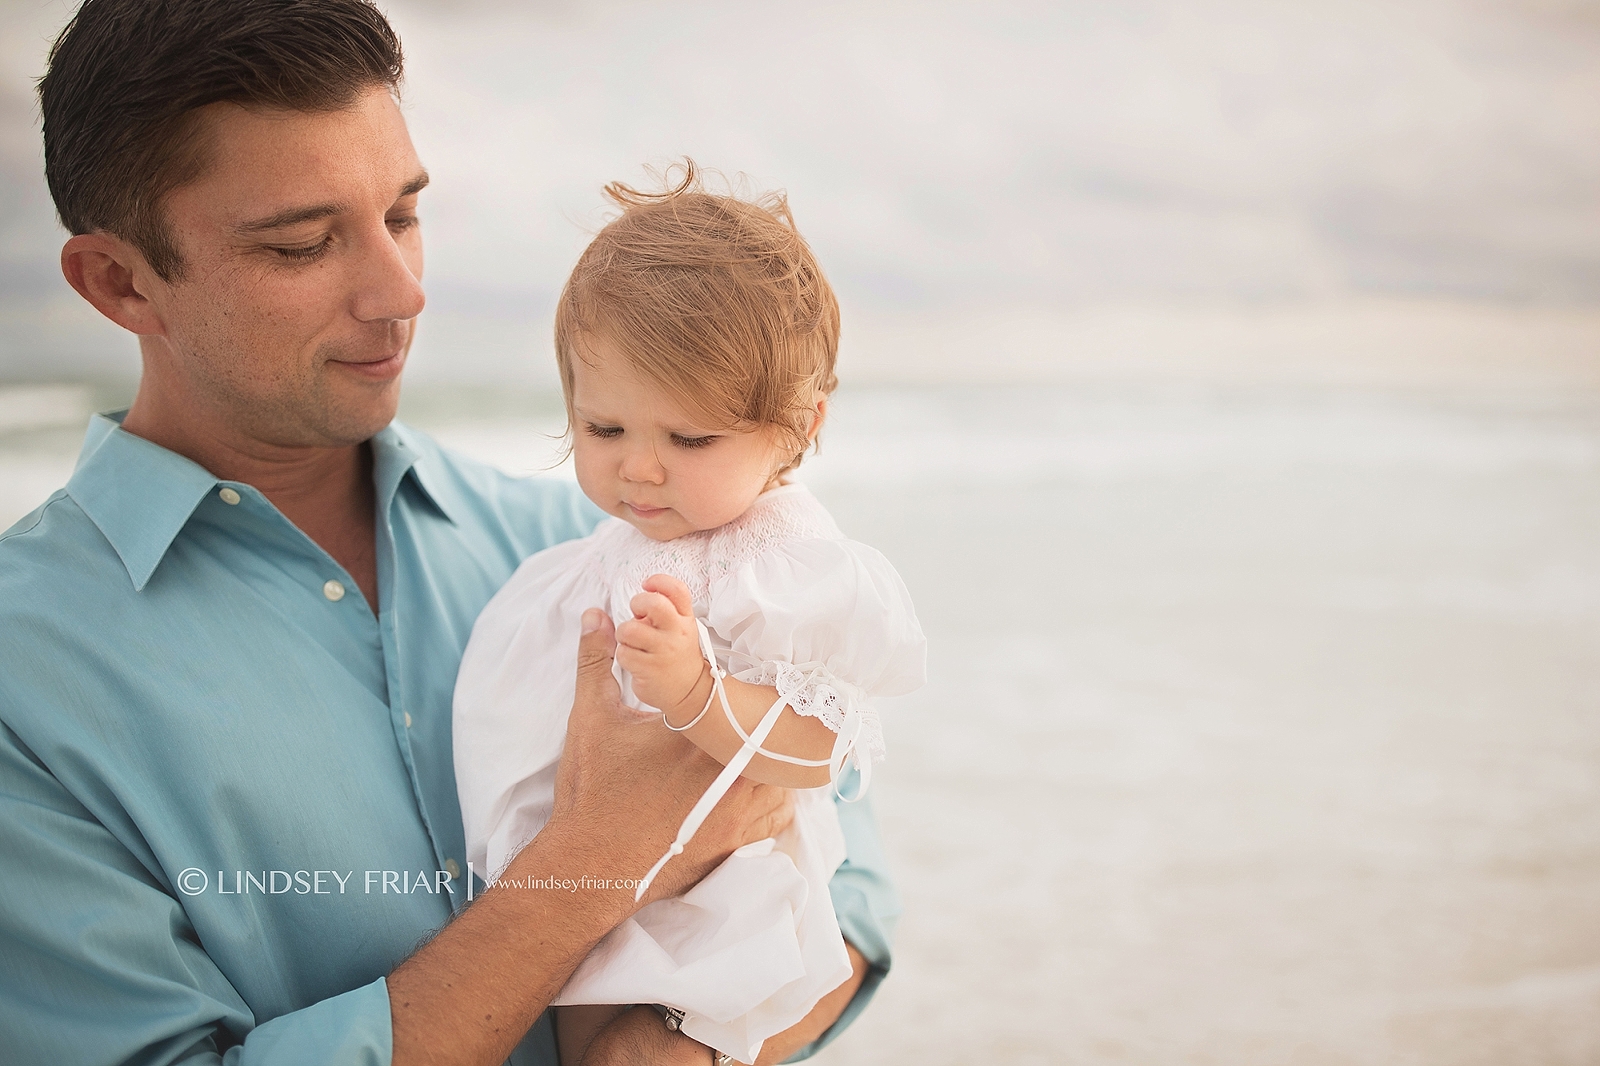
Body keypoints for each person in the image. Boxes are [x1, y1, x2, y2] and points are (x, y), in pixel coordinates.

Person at [0, 2, 900, 1064]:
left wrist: (666, 1049)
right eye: (302, 243)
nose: (400, 289)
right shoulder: (25, 677)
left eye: (404, 213)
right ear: (120, 281)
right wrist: (589, 866)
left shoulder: (588, 537)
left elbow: (848, 870)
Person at [451, 168, 925, 1066]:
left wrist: (703, 693)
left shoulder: (777, 562)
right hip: (597, 894)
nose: (639, 469)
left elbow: (819, 748)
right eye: (603, 429)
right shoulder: (585, 561)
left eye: (690, 439)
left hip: (726, 901)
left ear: (797, 429)